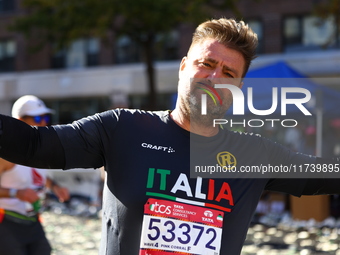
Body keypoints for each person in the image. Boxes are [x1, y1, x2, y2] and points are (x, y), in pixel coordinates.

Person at [0, 18, 339, 255]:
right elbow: (34, 145)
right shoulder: (123, 129)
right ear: (182, 67)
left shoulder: (253, 154)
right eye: (205, 63)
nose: (214, 77)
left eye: (228, 73)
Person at [0, 95, 70, 255]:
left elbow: (36, 176)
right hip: (6, 222)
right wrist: (16, 193)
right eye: (37, 118)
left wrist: (55, 187)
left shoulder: (38, 149)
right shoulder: (5, 153)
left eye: (45, 117)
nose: (44, 123)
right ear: (19, 120)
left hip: (33, 221)